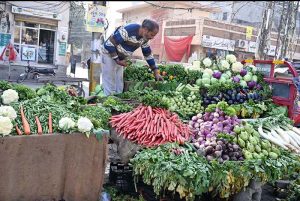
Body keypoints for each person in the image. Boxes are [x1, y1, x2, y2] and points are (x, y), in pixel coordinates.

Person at [101, 19, 163, 96]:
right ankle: (108, 102)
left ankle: (118, 101)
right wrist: (117, 60)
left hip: (120, 58)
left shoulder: (144, 38)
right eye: (152, 34)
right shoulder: (128, 30)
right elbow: (109, 44)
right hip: (108, 54)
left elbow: (148, 54)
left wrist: (156, 71)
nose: (152, 37)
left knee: (119, 82)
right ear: (146, 30)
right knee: (109, 81)